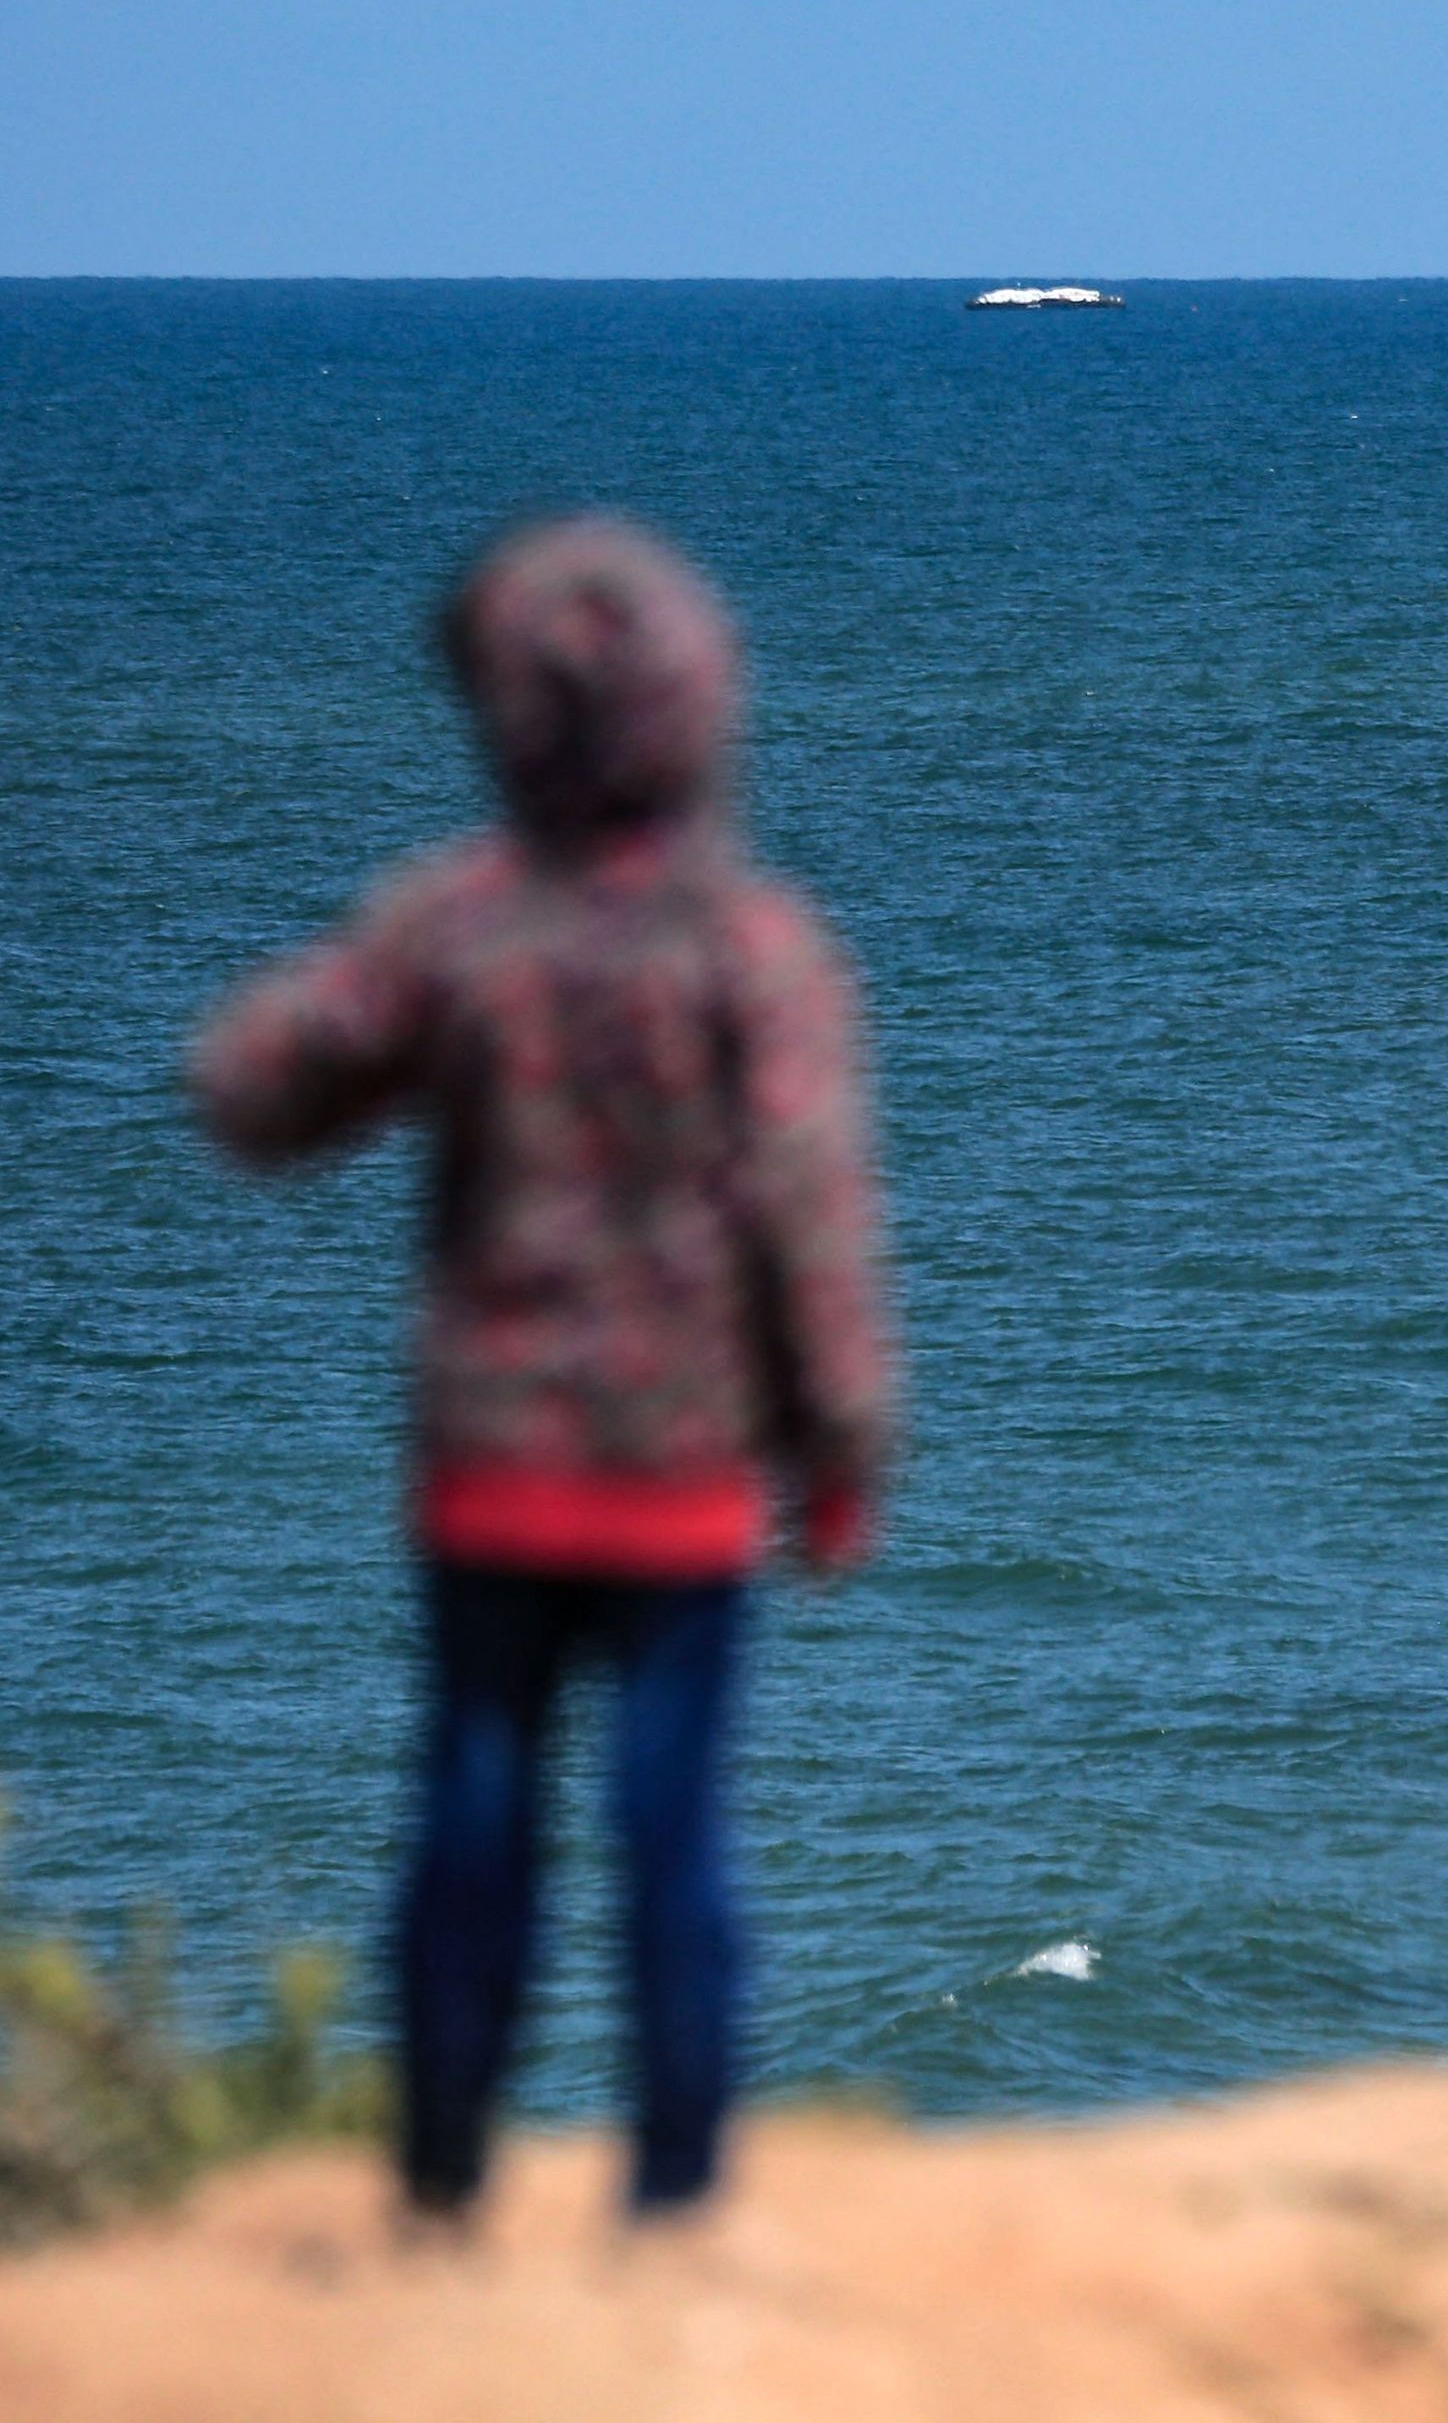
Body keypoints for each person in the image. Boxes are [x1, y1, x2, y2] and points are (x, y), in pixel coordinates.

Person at [191, 516, 898, 2224]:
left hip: (492, 1460)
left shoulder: (463, 928)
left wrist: (368, 1053)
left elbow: (255, 1083)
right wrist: (845, 1440)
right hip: (682, 1466)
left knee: (472, 1807)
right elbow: (808, 1207)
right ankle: (674, 2194)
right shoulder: (757, 946)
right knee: (676, 1836)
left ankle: (439, 2181)